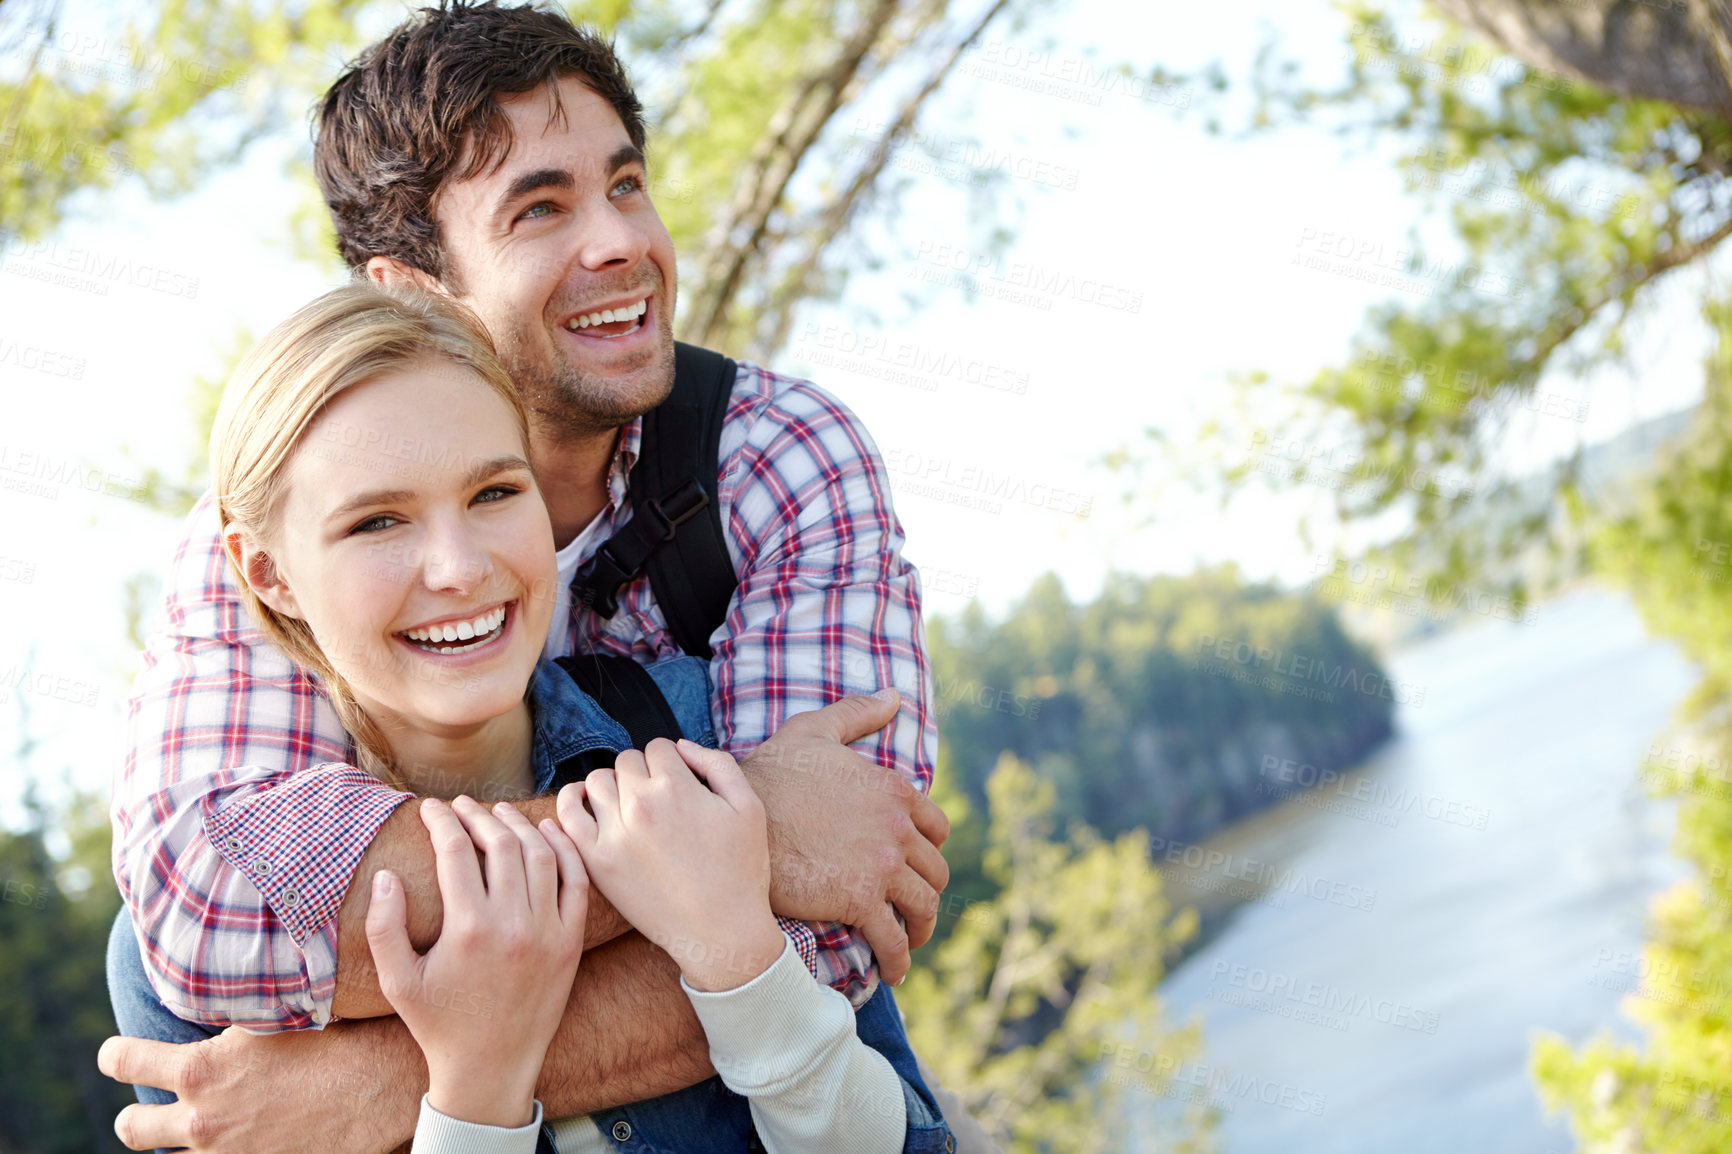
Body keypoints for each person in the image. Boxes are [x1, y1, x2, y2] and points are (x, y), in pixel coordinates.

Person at [98, 4, 957, 1151]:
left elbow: (846, 903)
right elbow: (218, 914)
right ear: (410, 289)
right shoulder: (275, 517)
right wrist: (729, 831)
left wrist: (376, 1085)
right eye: (541, 208)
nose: (621, 243)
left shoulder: (779, 458)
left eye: (626, 184)